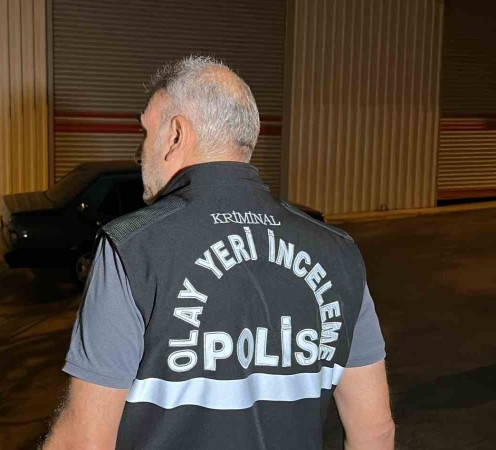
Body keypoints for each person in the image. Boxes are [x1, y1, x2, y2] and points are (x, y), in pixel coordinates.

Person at [43, 56, 394, 449]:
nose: (140, 152)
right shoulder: (338, 252)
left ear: (176, 135)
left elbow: (83, 441)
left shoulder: (132, 248)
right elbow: (374, 431)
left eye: (146, 132)